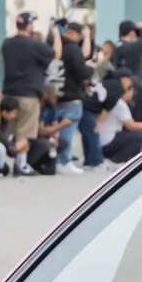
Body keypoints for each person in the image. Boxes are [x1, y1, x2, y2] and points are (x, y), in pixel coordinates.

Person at [0, 13, 54, 177]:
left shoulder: (7, 43)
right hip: (29, 93)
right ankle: (21, 165)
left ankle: (3, 162)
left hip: (9, 92)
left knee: (9, 131)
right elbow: (55, 54)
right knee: (25, 132)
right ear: (29, 25)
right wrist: (56, 35)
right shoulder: (35, 45)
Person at [53, 17, 91, 173]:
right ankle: (64, 160)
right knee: (68, 129)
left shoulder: (57, 47)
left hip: (57, 95)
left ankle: (58, 159)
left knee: (58, 129)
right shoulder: (73, 49)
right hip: (72, 94)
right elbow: (81, 71)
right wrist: (91, 70)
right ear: (74, 34)